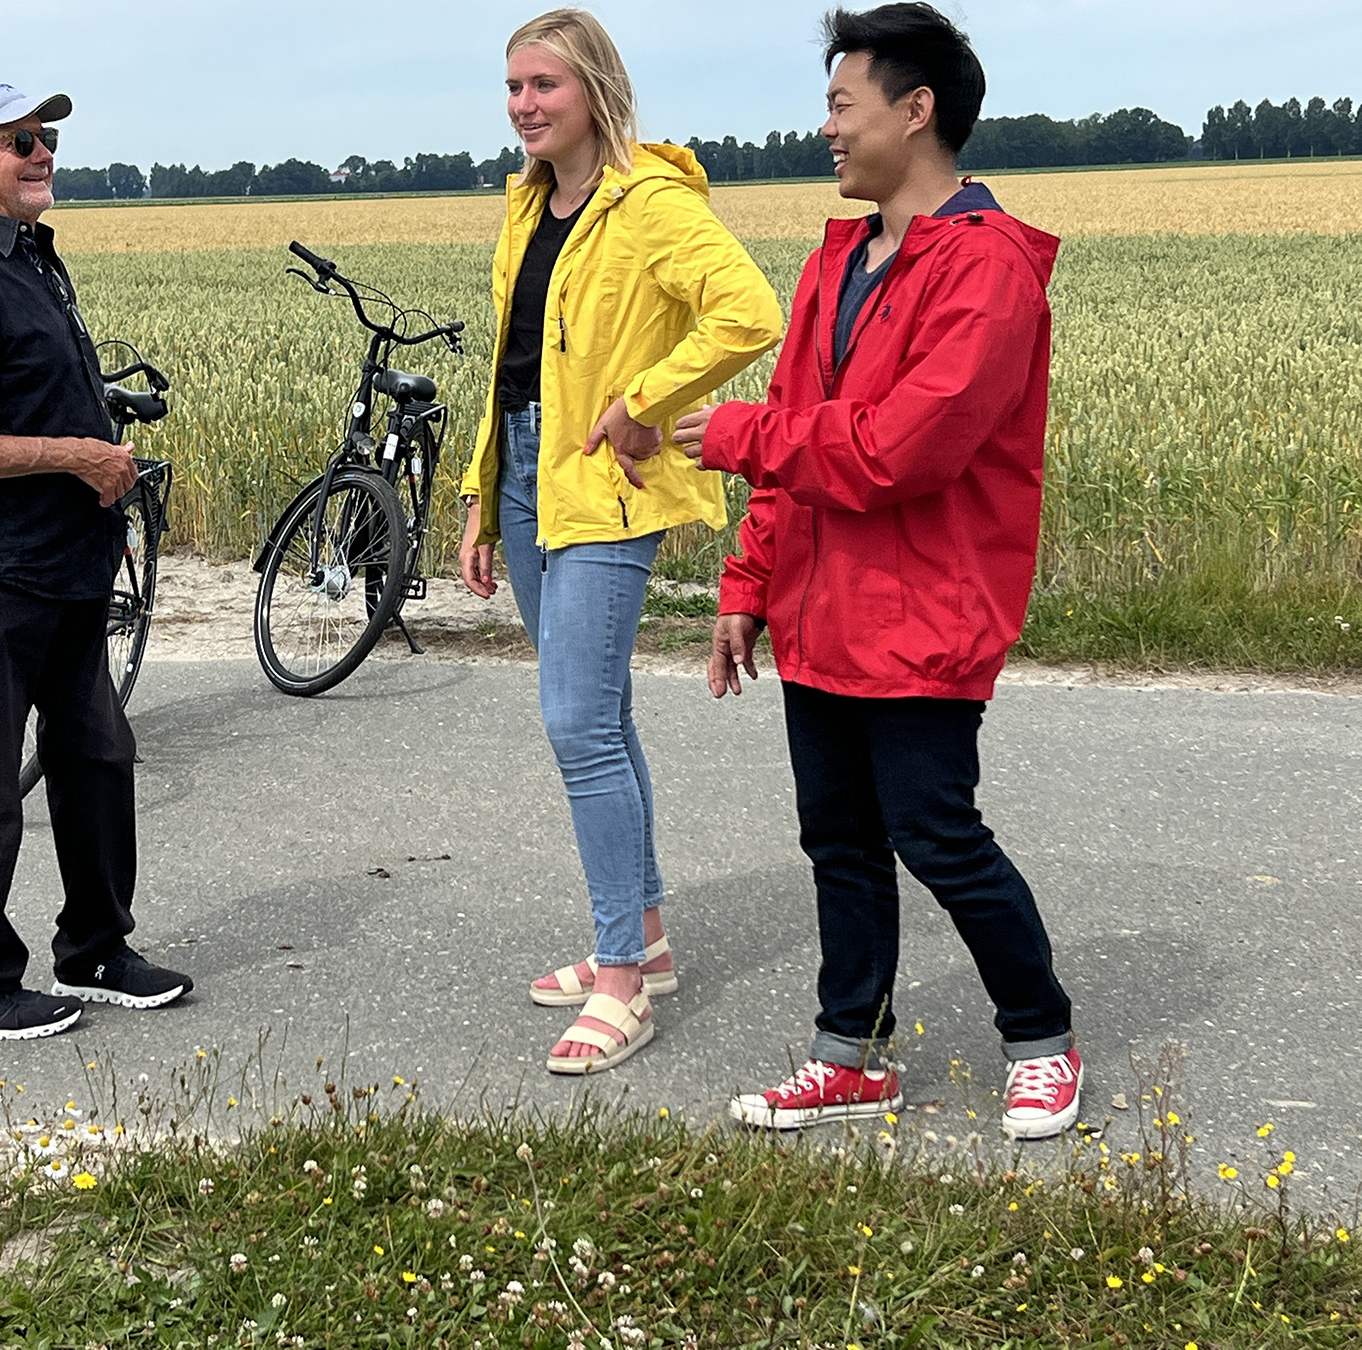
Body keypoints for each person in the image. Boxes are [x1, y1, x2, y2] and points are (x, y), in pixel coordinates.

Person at [675, 3, 1079, 1139]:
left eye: (841, 105)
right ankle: (849, 1054)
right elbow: (807, 432)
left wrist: (733, 433)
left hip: (927, 608)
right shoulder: (838, 258)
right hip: (820, 607)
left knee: (936, 832)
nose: (828, 131)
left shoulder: (990, 270)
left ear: (917, 109)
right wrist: (747, 585)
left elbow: (908, 448)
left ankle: (1041, 1036)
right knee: (839, 840)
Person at [459, 9, 782, 1075]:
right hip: (523, 472)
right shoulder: (525, 205)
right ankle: (642, 936)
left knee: (577, 725)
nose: (524, 105)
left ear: (593, 87)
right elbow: (509, 364)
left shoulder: (649, 201)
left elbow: (747, 313)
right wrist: (474, 497)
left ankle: (619, 983)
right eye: (513, 87)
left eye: (543, 84)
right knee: (600, 715)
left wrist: (647, 400)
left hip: (606, 480)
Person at [0, 80, 192, 1042]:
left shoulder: (30, 262)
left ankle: (96, 947)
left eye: (46, 138)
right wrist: (75, 454)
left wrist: (98, 460)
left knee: (98, 753)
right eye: (17, 139)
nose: (40, 152)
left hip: (63, 556)